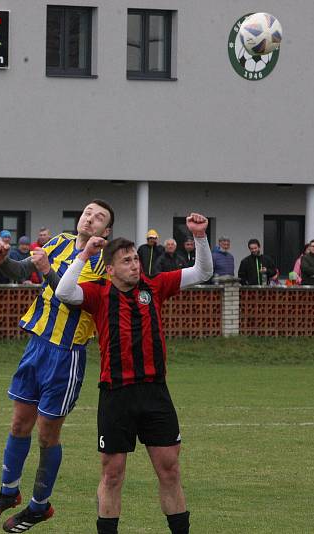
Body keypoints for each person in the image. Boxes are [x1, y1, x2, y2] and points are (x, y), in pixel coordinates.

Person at [54, 213, 213, 534]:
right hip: (116, 394)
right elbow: (63, 293)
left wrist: (199, 236)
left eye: (136, 259)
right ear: (110, 269)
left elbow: (203, 272)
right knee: (112, 473)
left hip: (155, 393)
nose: (135, 265)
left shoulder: (154, 286)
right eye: (126, 261)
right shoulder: (98, 293)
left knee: (169, 470)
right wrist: (85, 254)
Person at [0, 199, 114, 533]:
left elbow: (70, 295)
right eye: (87, 212)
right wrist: (2, 260)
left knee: (46, 434)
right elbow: (22, 271)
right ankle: (8, 492)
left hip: (66, 355)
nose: (89, 219)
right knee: (19, 423)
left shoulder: (102, 263)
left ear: (106, 231)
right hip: (36, 345)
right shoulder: (60, 242)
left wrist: (48, 271)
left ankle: (39, 506)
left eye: (98, 218)